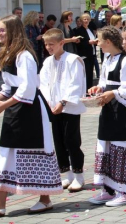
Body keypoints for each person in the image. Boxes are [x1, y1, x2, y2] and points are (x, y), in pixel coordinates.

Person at [0, 15, 62, 217]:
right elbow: (8, 86)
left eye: (3, 30)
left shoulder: (25, 56)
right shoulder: (8, 54)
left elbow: (28, 88)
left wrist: (4, 104)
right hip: (15, 108)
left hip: (29, 109)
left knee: (34, 152)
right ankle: (1, 203)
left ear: (14, 31)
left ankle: (43, 199)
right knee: (7, 153)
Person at [87, 26, 126, 206]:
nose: (98, 43)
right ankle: (108, 189)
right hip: (109, 109)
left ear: (108, 42)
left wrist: (113, 94)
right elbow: (106, 82)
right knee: (107, 146)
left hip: (123, 110)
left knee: (122, 145)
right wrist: (99, 88)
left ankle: (125, 192)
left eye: (99, 40)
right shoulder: (108, 59)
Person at [40, 28, 86, 192]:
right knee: (58, 141)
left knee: (71, 140)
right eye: (46, 44)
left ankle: (79, 175)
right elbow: (43, 83)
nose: (48, 47)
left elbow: (76, 83)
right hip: (53, 107)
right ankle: (67, 174)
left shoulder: (73, 60)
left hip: (69, 107)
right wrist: (49, 102)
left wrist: (63, 102)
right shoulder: (48, 62)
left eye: (51, 44)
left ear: (61, 43)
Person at [74, 13, 98, 91]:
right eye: (84, 19)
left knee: (91, 73)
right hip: (84, 55)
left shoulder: (90, 29)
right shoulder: (78, 30)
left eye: (88, 19)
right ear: (81, 21)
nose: (86, 21)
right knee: (86, 73)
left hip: (92, 54)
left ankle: (90, 89)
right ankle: (85, 90)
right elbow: (79, 43)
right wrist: (88, 42)